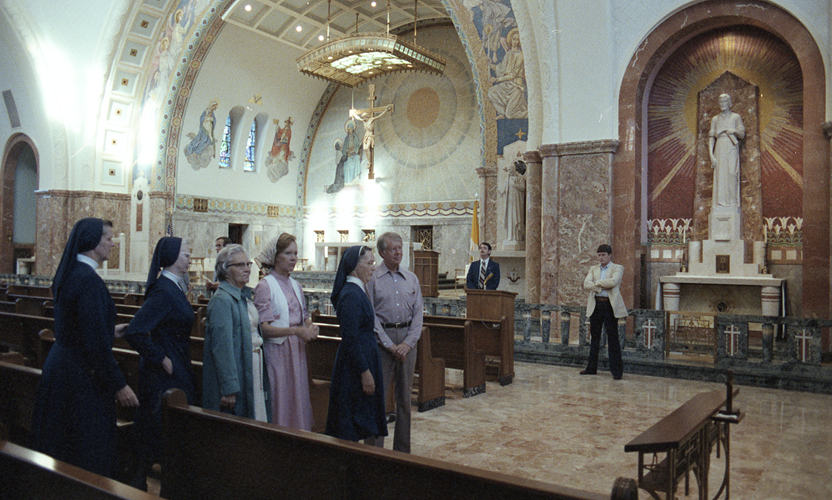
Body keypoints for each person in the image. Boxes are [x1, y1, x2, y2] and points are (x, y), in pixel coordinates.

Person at [30, 218, 139, 478]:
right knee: (84, 453)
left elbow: (78, 327)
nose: (113, 244)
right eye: (109, 238)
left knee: (61, 449)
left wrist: (109, 330)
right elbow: (94, 346)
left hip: (62, 365)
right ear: (92, 242)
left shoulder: (71, 273)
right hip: (79, 375)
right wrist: (119, 384)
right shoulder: (89, 280)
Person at [123, 237, 195, 489]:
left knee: (168, 432)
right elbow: (135, 331)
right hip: (166, 372)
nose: (189, 258)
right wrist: (161, 357)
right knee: (161, 431)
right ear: (172, 257)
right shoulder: (163, 290)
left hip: (176, 363)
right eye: (186, 254)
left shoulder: (173, 286)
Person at [365, 233, 423, 453]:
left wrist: (408, 344)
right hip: (382, 344)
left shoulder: (411, 278)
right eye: (393, 249)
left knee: (404, 400)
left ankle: (402, 451)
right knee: (377, 399)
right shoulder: (372, 279)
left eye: (400, 249)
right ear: (381, 252)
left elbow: (418, 315)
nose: (398, 253)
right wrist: (390, 345)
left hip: (407, 342)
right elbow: (371, 316)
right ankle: (373, 450)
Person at [253, 233, 318, 430]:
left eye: (296, 253)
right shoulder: (265, 286)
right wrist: (295, 331)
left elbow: (303, 315)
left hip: (296, 352)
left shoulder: (295, 285)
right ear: (275, 257)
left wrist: (310, 325)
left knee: (297, 397)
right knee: (281, 397)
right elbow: (263, 328)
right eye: (288, 253)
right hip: (278, 353)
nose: (293, 258)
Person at [325, 246, 388, 443]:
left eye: (374, 263)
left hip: (362, 357)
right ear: (354, 266)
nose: (373, 268)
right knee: (351, 420)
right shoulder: (351, 294)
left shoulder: (357, 289)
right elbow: (350, 338)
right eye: (369, 263)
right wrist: (365, 372)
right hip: (354, 366)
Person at [203, 244, 269, 420]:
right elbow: (222, 348)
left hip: (252, 366)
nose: (247, 269)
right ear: (225, 270)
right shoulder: (222, 301)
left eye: (248, 264)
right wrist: (229, 388)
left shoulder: (241, 295)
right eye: (240, 265)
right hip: (237, 374)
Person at [580, 244, 627, 380]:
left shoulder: (617, 268)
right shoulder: (593, 269)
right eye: (599, 255)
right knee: (594, 337)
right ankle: (591, 368)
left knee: (612, 338)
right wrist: (600, 285)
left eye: (603, 255)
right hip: (596, 305)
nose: (601, 257)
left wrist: (597, 283)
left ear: (609, 255)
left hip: (609, 306)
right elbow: (586, 284)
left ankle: (617, 371)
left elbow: (613, 282)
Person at [708, 93, 745, 208]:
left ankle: (732, 201)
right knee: (720, 174)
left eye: (724, 102)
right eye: (720, 102)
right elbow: (711, 138)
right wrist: (711, 156)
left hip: (731, 146)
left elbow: (742, 134)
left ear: (729, 103)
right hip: (719, 147)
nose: (722, 104)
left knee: (732, 172)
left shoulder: (735, 117)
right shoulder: (715, 119)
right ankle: (721, 202)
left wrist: (733, 130)